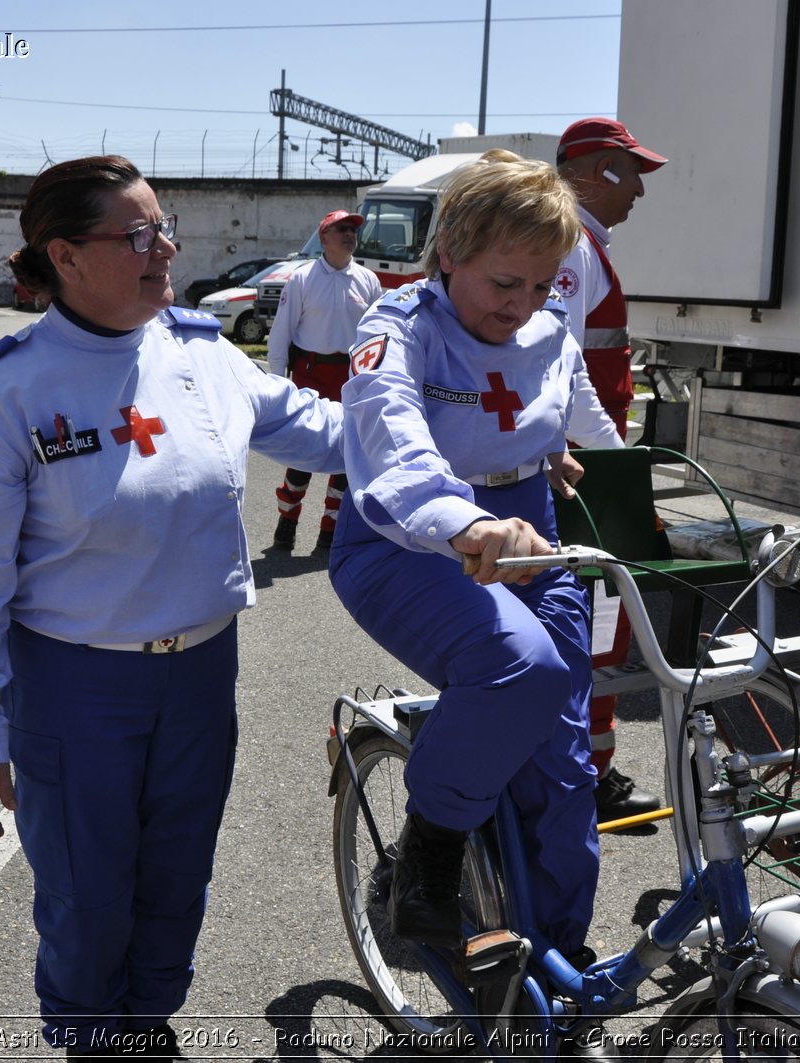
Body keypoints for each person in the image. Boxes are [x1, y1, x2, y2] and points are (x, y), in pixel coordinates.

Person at [0, 155, 343, 1059]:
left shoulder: (201, 355)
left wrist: (467, 439)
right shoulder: (7, 389)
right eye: (139, 234)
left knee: (176, 873)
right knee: (86, 889)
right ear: (66, 257)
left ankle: (147, 1024)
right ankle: (90, 1039)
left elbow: (329, 427)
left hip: (202, 673)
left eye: (163, 228)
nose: (167, 248)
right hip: (76, 687)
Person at [328, 154, 621, 1052]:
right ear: (447, 251)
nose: (523, 304)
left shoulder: (550, 323)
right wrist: (469, 524)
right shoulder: (395, 327)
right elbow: (400, 454)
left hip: (532, 529)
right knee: (517, 667)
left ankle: (553, 971)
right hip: (406, 540)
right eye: (504, 281)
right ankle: (431, 848)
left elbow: (592, 431)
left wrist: (645, 512)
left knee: (568, 774)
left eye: (541, 284)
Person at [555, 116, 670, 823]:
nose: (639, 192)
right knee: (597, 630)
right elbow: (556, 368)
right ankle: (584, 781)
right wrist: (613, 468)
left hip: (585, 467)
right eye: (632, 174)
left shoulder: (581, 245)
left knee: (596, 628)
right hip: (583, 476)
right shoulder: (573, 248)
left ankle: (584, 770)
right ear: (599, 171)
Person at [267, 209, 384, 552]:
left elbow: (379, 336)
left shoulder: (368, 280)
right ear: (324, 238)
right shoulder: (302, 279)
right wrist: (276, 384)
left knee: (348, 456)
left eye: (353, 229)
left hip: (351, 376)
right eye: (341, 229)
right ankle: (286, 524)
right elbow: (280, 334)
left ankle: (329, 533)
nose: (349, 234)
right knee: (303, 452)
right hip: (310, 373)